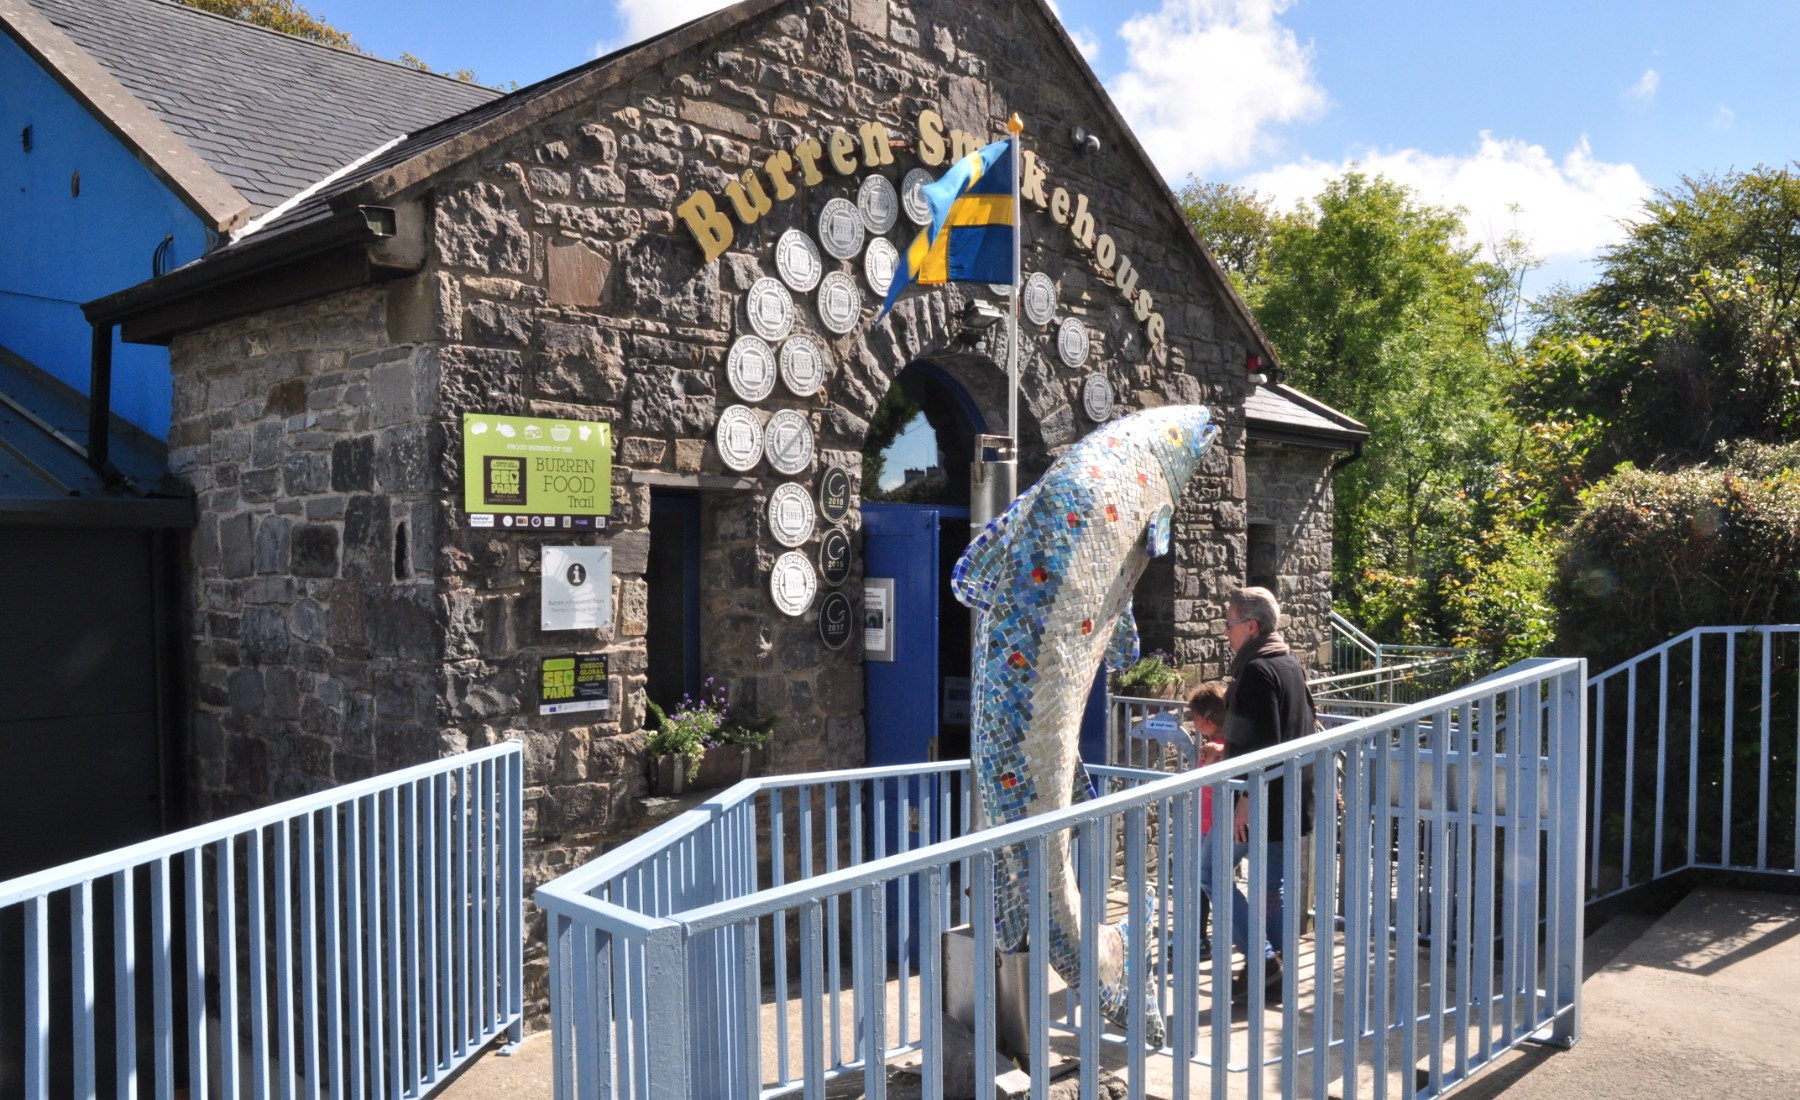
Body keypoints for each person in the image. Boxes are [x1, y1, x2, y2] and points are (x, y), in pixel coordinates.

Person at [1205, 586, 1315, 1002]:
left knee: (1211, 874)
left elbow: (1266, 743)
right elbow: (1285, 731)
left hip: (1260, 799)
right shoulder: (1288, 663)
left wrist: (1245, 802)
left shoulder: (1254, 670)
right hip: (1290, 795)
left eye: (1230, 624)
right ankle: (1271, 975)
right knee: (1271, 889)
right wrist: (1226, 750)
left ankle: (1264, 959)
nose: (1226, 632)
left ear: (1251, 626)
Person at [1188, 681, 1229, 962]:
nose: (1191, 723)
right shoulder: (1222, 744)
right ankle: (1203, 937)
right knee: (1208, 882)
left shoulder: (1220, 748)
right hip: (1210, 824)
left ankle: (1201, 940)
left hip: (1214, 825)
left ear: (1206, 720)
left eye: (1194, 717)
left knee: (1205, 881)